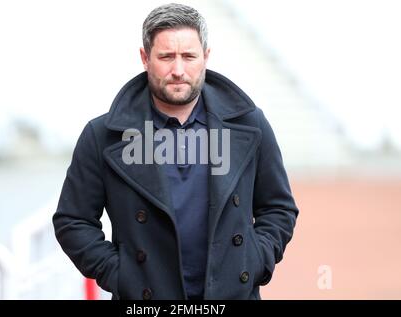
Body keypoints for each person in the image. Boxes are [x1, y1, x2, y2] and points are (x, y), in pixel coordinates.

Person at [53, 3, 299, 300]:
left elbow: (278, 208)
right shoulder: (103, 136)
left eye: (189, 56)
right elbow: (73, 220)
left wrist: (254, 260)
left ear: (205, 57)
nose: (178, 70)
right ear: (145, 58)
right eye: (166, 57)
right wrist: (122, 275)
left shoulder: (250, 125)